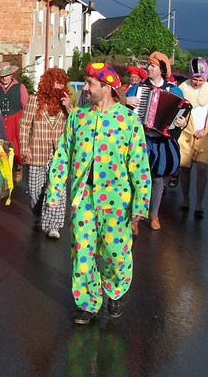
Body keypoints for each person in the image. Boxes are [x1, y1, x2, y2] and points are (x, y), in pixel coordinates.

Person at [46, 63, 151, 325]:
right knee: (82, 253)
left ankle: (116, 290)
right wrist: (55, 189)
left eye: (90, 83)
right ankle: (87, 303)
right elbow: (63, 155)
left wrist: (141, 203)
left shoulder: (128, 121)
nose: (85, 88)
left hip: (117, 199)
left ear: (107, 88)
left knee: (116, 252)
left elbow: (139, 165)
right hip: (83, 197)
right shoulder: (78, 117)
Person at [126, 52, 188, 233]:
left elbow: (183, 114)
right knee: (138, 177)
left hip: (162, 140)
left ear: (161, 69)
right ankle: (135, 218)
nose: (148, 68)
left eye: (152, 65)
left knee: (158, 177)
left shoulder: (174, 91)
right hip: (142, 138)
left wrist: (182, 123)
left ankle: (154, 214)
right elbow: (121, 110)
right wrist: (127, 101)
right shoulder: (138, 88)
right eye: (148, 65)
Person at [18, 67, 73, 239]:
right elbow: (25, 124)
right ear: (49, 83)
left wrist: (69, 107)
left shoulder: (66, 103)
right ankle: (40, 212)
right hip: (37, 151)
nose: (60, 86)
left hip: (59, 153)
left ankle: (53, 225)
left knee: (58, 189)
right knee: (35, 189)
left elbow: (77, 124)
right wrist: (24, 147)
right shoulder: (34, 100)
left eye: (62, 83)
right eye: (57, 82)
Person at [178, 58, 208, 218]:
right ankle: (185, 199)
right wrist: (181, 123)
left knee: (202, 168)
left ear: (206, 78)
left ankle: (199, 203)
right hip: (186, 133)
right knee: (185, 168)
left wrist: (205, 130)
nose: (197, 82)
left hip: (206, 135)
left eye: (200, 79)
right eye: (195, 79)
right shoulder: (182, 90)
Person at [0, 61, 29, 183]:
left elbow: (26, 107)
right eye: (2, 76)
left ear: (11, 75)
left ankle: (18, 167)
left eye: (7, 75)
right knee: (1, 146)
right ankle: (3, 169)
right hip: (0, 120)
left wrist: (26, 123)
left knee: (16, 146)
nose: (5, 78)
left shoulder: (20, 87)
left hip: (16, 120)